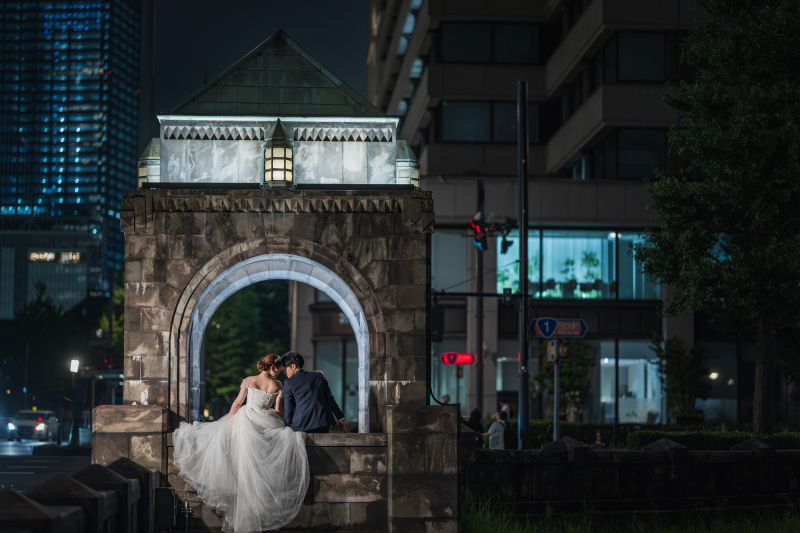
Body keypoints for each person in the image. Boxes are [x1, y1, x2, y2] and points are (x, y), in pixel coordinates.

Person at [172, 354, 309, 533]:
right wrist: (282, 421)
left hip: (246, 419)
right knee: (257, 464)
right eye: (278, 369)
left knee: (239, 460)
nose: (279, 372)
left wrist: (226, 421)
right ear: (272, 368)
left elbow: (237, 403)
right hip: (264, 421)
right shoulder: (278, 385)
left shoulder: (249, 380)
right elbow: (277, 410)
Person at [280, 351, 349, 434]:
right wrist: (340, 418)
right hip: (323, 422)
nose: (284, 372)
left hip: (302, 425)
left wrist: (286, 426)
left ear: (293, 366)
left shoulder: (289, 382)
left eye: (285, 368)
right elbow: (330, 399)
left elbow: (288, 408)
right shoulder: (318, 376)